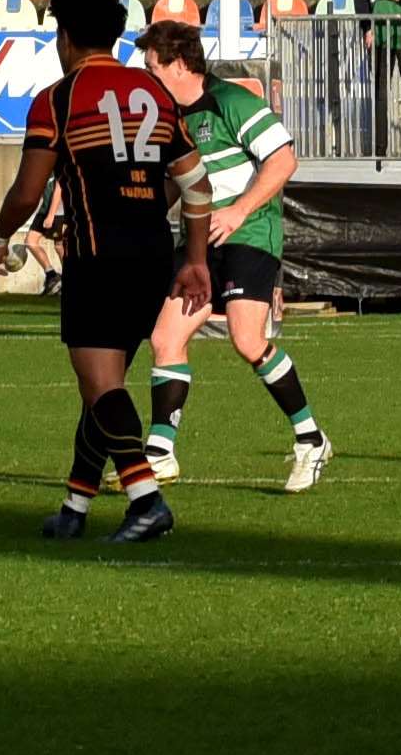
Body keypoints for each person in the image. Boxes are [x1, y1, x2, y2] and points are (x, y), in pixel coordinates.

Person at [0, 0, 199, 545]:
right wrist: (195, 257)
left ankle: (146, 500)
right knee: (102, 386)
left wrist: (0, 236)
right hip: (153, 253)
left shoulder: (57, 99)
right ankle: (75, 506)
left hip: (96, 254)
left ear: (64, 37)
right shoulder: (155, 95)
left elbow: (29, 191)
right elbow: (195, 184)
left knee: (100, 385)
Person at [137, 26, 329, 497]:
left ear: (180, 64)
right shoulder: (166, 117)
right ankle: (160, 453)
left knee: (247, 340)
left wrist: (239, 209)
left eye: (153, 66)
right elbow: (173, 182)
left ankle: (310, 437)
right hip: (200, 243)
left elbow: (283, 160)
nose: (148, 75)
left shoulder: (230, 102)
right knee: (166, 337)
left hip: (248, 235)